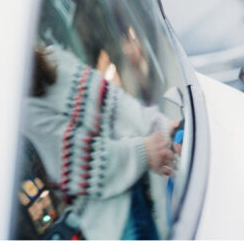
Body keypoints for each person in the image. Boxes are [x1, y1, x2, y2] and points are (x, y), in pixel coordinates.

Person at [24, 45, 179, 239]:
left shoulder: (55, 57)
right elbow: (82, 162)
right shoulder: (24, 111)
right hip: (117, 226)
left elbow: (114, 104)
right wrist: (145, 151)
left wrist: (162, 128)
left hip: (138, 193)